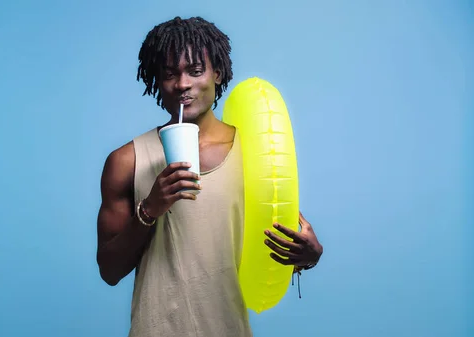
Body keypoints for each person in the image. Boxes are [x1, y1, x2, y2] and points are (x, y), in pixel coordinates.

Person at [96, 16, 323, 337]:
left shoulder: (253, 152)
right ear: (156, 81)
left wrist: (308, 256)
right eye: (170, 74)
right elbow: (109, 270)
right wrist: (149, 209)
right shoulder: (126, 161)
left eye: (195, 71)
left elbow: (275, 238)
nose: (182, 84)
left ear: (217, 72)